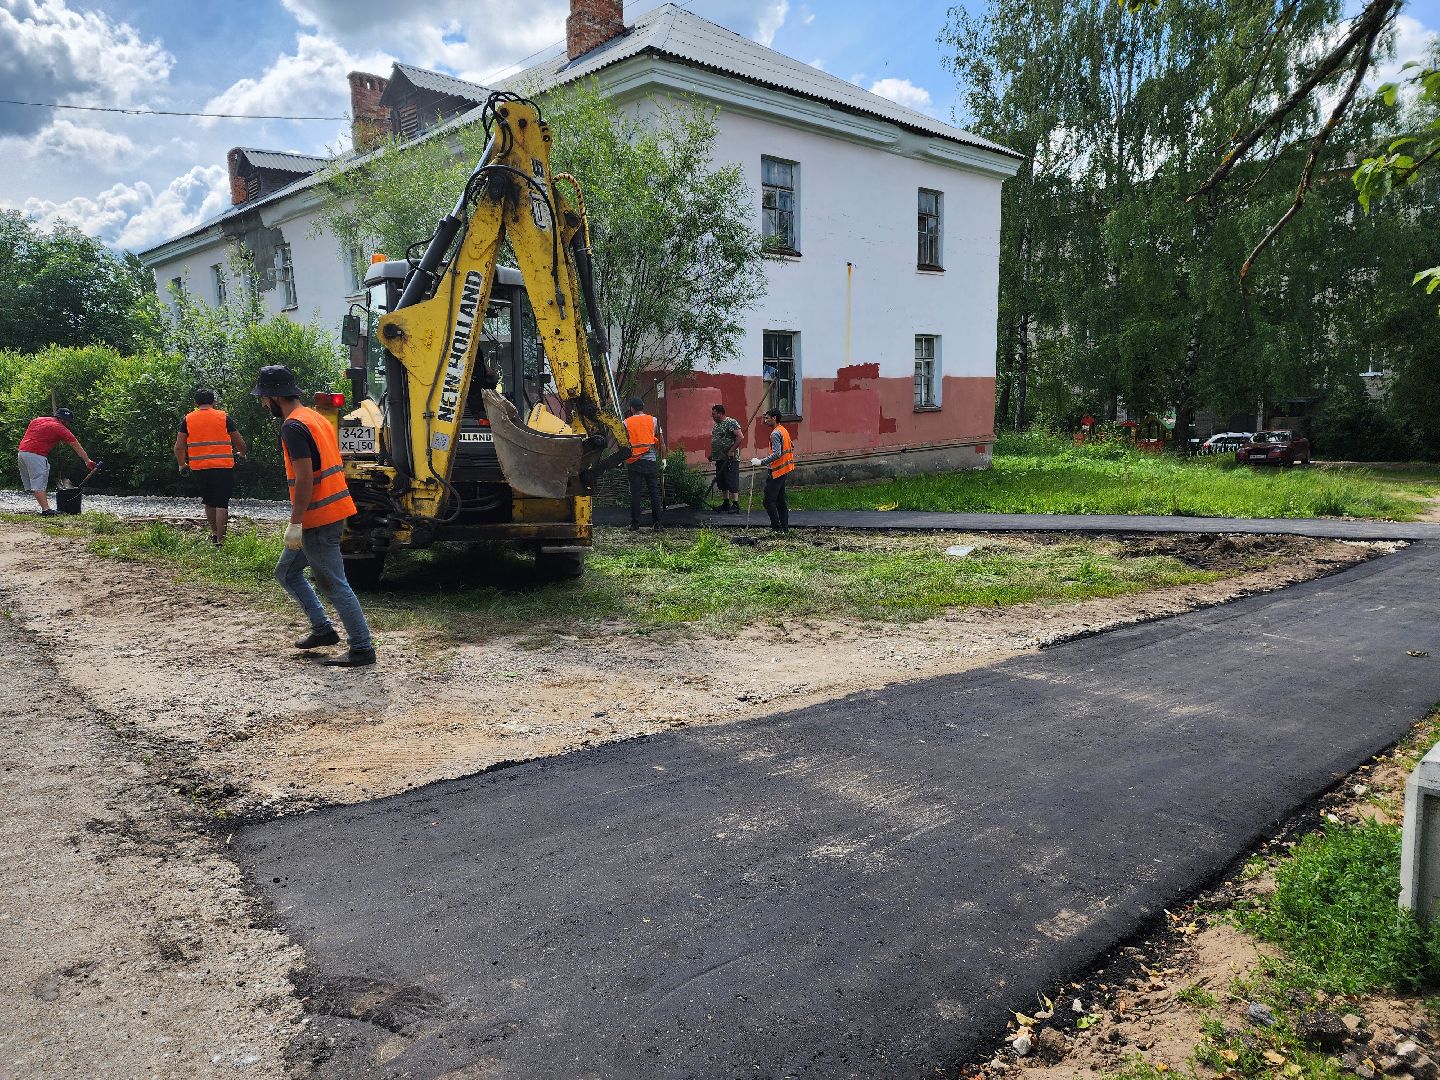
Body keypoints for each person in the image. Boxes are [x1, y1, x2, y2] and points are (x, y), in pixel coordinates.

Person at [251, 365, 375, 668]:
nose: (263, 404)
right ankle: (323, 630)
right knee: (287, 572)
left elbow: (305, 478)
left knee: (334, 584)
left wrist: (295, 522)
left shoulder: (293, 426)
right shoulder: (314, 417)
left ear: (275, 397)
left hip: (318, 518)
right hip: (331, 511)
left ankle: (362, 647)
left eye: (263, 399)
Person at [174, 389, 247, 546]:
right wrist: (242, 453)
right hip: (223, 466)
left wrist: (182, 464)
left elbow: (179, 447)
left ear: (196, 404)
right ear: (214, 402)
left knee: (208, 501)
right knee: (221, 502)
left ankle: (214, 534)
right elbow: (239, 441)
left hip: (200, 468)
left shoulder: (188, 419)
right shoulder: (223, 417)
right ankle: (221, 540)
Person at [16, 408, 95, 515]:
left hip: (22, 453)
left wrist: (54, 439)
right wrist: (87, 461)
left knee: (36, 482)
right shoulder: (60, 429)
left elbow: (40, 435)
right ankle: (46, 510)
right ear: (64, 421)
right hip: (36, 455)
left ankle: (44, 507)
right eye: (68, 422)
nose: (68, 425)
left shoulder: (37, 420)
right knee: (39, 482)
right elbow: (76, 446)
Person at [623, 396, 667, 532]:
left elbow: (624, 445)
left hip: (634, 462)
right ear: (643, 407)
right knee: (654, 493)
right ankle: (657, 524)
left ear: (631, 408)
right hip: (650, 461)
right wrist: (664, 459)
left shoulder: (626, 422)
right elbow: (662, 443)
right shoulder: (653, 420)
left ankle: (635, 524)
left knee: (635, 494)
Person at [751, 408, 795, 533]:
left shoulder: (775, 433)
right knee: (780, 501)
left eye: (767, 418)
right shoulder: (783, 430)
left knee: (768, 501)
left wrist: (760, 462)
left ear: (774, 418)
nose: (765, 420)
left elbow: (777, 454)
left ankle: (777, 528)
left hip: (776, 472)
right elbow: (791, 446)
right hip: (784, 469)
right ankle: (784, 529)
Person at [708, 403, 742, 513]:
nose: (712, 416)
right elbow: (716, 440)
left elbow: (740, 437)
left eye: (713, 414)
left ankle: (735, 504)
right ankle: (726, 503)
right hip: (719, 458)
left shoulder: (731, 422)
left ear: (720, 413)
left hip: (730, 459)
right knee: (722, 481)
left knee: (731, 480)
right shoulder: (716, 425)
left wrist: (731, 450)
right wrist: (712, 454)